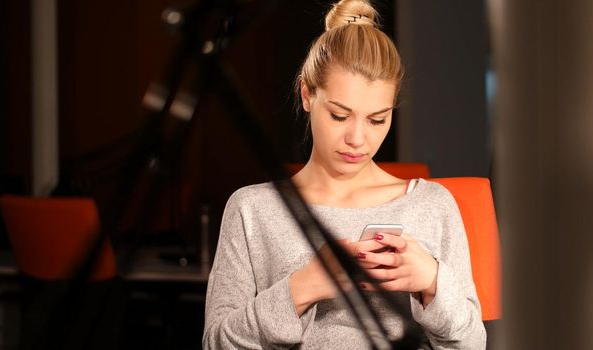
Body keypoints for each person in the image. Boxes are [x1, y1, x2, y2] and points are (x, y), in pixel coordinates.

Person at [203, 0, 487, 348]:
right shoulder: (252, 209)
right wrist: (301, 288)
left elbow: (473, 344)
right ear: (307, 95)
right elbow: (217, 343)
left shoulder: (432, 205)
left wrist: (432, 283)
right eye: (339, 116)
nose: (357, 139)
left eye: (377, 119)